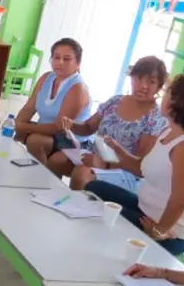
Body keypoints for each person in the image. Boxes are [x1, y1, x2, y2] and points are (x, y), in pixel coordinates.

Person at [86, 74, 184, 255]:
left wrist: (158, 232)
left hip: (170, 230)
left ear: (179, 103)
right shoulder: (168, 129)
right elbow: (142, 168)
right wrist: (117, 150)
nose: (163, 97)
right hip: (146, 208)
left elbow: (181, 201)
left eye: (168, 93)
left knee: (98, 212)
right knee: (93, 188)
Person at [54, 56, 169, 189]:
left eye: (151, 82)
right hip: (95, 155)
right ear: (131, 78)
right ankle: (48, 200)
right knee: (56, 160)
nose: (143, 86)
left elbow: (140, 165)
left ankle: (74, 208)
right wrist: (71, 124)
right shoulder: (115, 101)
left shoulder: (155, 118)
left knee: (82, 174)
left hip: (125, 172)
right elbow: (88, 127)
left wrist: (105, 164)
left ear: (159, 87)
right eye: (139, 78)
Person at [14, 38, 93, 164]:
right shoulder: (46, 77)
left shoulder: (78, 88)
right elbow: (29, 108)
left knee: (35, 140)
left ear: (78, 64)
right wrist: (16, 124)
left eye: (66, 59)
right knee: (12, 128)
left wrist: (23, 127)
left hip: (71, 140)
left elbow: (59, 127)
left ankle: (42, 178)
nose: (60, 62)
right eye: (56, 57)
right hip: (47, 132)